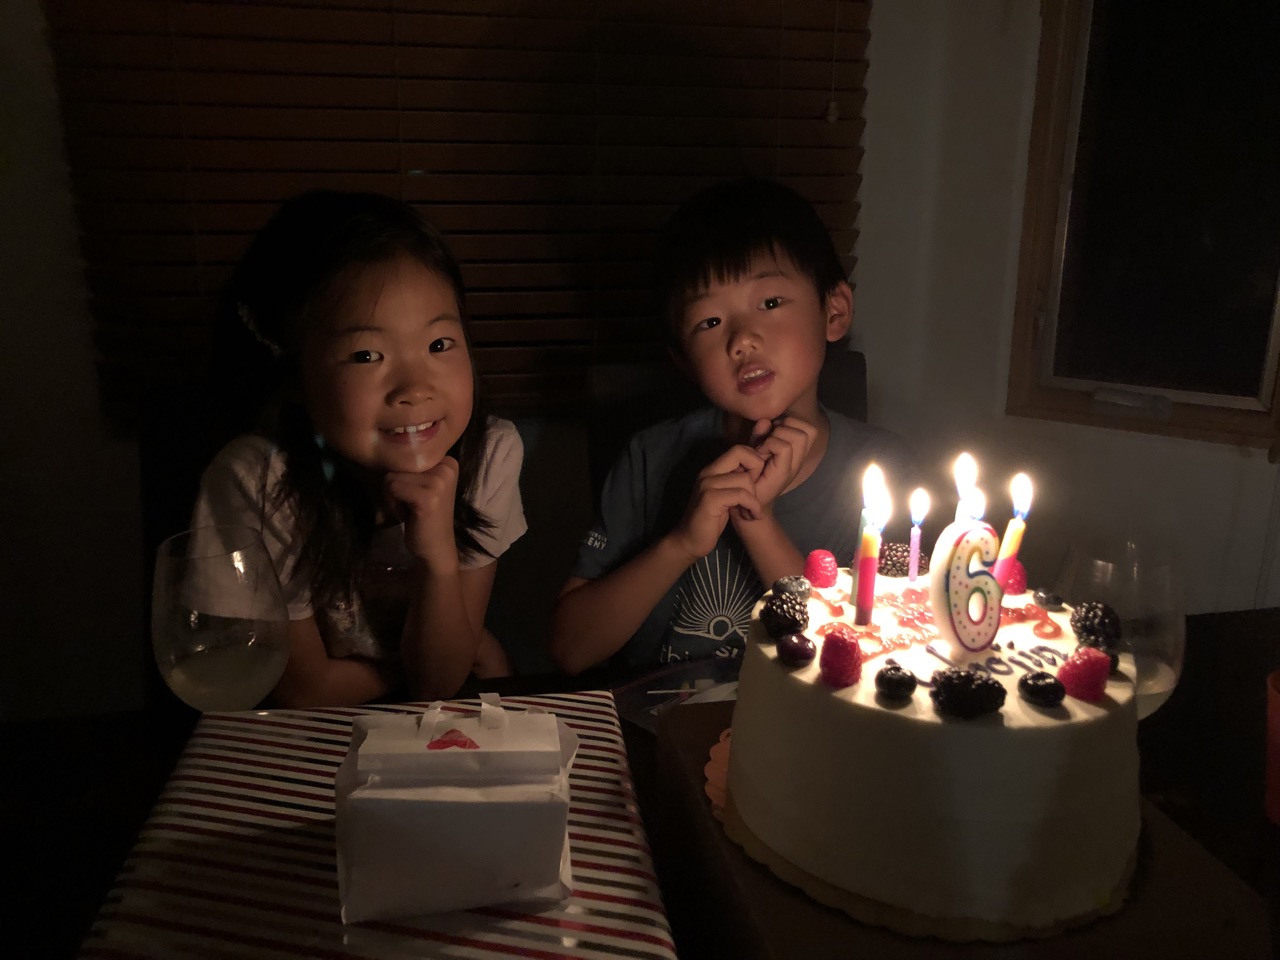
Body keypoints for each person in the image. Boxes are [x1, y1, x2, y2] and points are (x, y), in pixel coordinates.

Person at [550, 178, 913, 674]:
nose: (743, 339)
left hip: (803, 723)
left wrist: (757, 522)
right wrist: (682, 542)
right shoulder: (650, 457)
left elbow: (865, 668)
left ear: (835, 311)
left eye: (770, 303)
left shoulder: (880, 472)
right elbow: (570, 649)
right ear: (683, 360)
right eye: (710, 322)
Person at [191, 190, 526, 707]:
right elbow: (305, 693)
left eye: (439, 344)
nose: (415, 388)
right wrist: (458, 652)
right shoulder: (260, 481)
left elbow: (439, 683)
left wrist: (438, 557)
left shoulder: (488, 454)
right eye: (367, 355)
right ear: (296, 376)